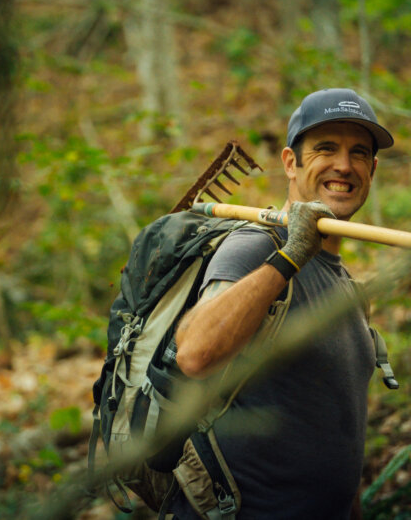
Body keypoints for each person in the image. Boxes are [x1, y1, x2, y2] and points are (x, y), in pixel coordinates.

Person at [169, 88, 395, 519]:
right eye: (325, 148)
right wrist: (291, 255)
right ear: (291, 163)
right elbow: (195, 354)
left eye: (359, 153)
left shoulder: (346, 287)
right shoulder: (255, 248)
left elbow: (338, 441)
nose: (344, 165)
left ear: (372, 169)